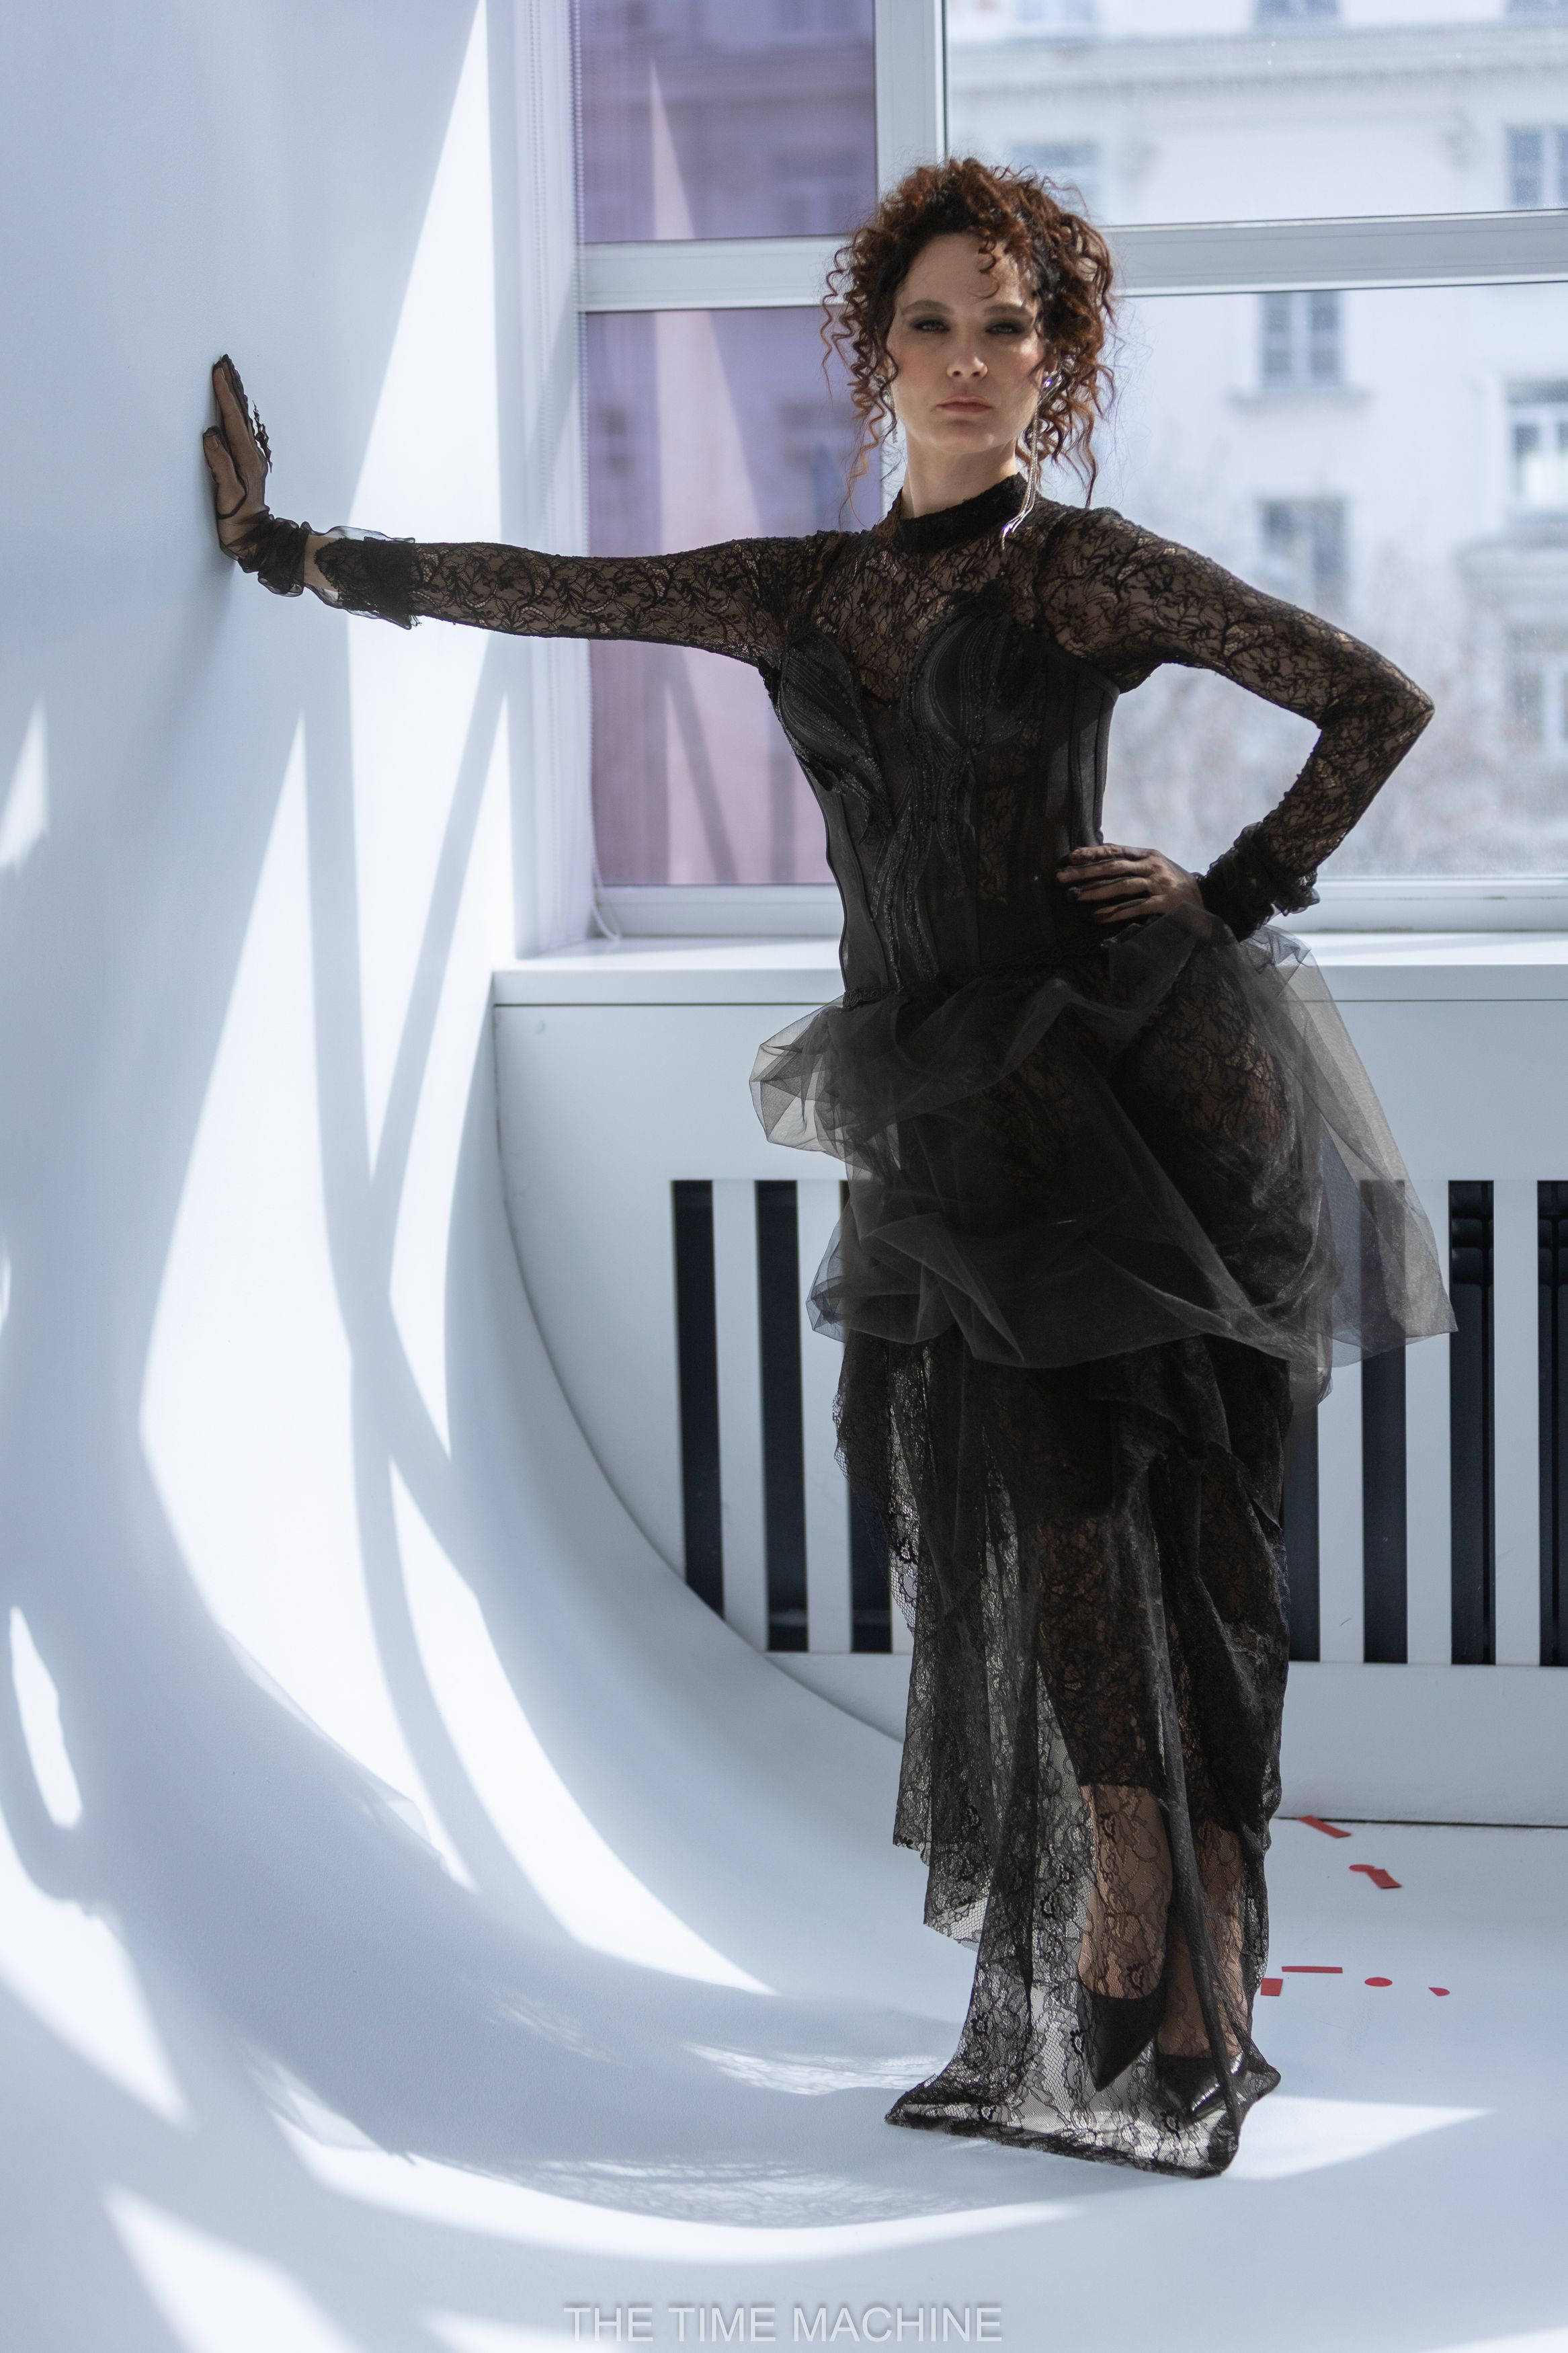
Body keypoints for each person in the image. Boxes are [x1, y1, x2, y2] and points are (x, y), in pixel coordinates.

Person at [204, 157, 1451, 2178]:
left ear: (1057, 362)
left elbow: (1373, 702)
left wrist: (1223, 893)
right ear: (878, 352)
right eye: (930, 323)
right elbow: (557, 591)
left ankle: (1172, 1915)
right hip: (942, 1116)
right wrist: (296, 555)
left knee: (1157, 1511)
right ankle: (1138, 1887)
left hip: (1116, 1096)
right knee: (1039, 1502)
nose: (966, 359)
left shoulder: (1080, 573)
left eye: (1006, 326)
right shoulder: (801, 591)